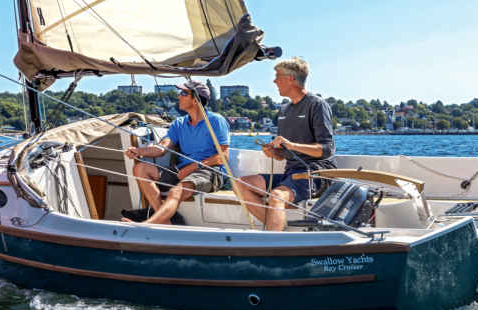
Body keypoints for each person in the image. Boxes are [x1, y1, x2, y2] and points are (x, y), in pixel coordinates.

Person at [240, 57, 335, 231]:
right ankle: (277, 230)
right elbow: (283, 153)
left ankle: (272, 243)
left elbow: (327, 149)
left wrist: (291, 145)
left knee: (277, 195)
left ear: (291, 79)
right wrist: (274, 152)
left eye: (278, 76)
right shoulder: (284, 110)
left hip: (314, 173)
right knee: (241, 183)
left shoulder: (317, 105)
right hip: (290, 173)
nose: (274, 81)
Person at [122, 80, 230, 225]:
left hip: (210, 171)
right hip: (182, 171)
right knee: (140, 168)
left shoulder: (216, 121)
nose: (179, 96)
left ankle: (149, 224)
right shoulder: (179, 123)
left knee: (175, 192)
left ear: (196, 99)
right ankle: (166, 222)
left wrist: (192, 168)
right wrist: (138, 151)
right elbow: (162, 149)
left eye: (184, 93)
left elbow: (223, 157)